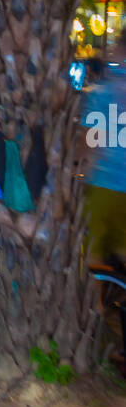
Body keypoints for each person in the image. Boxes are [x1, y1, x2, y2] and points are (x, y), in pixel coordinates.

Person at [84, 26, 126, 267]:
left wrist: (84, 174)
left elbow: (93, 141)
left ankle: (96, 305)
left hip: (105, 181)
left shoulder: (104, 92)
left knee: (94, 251)